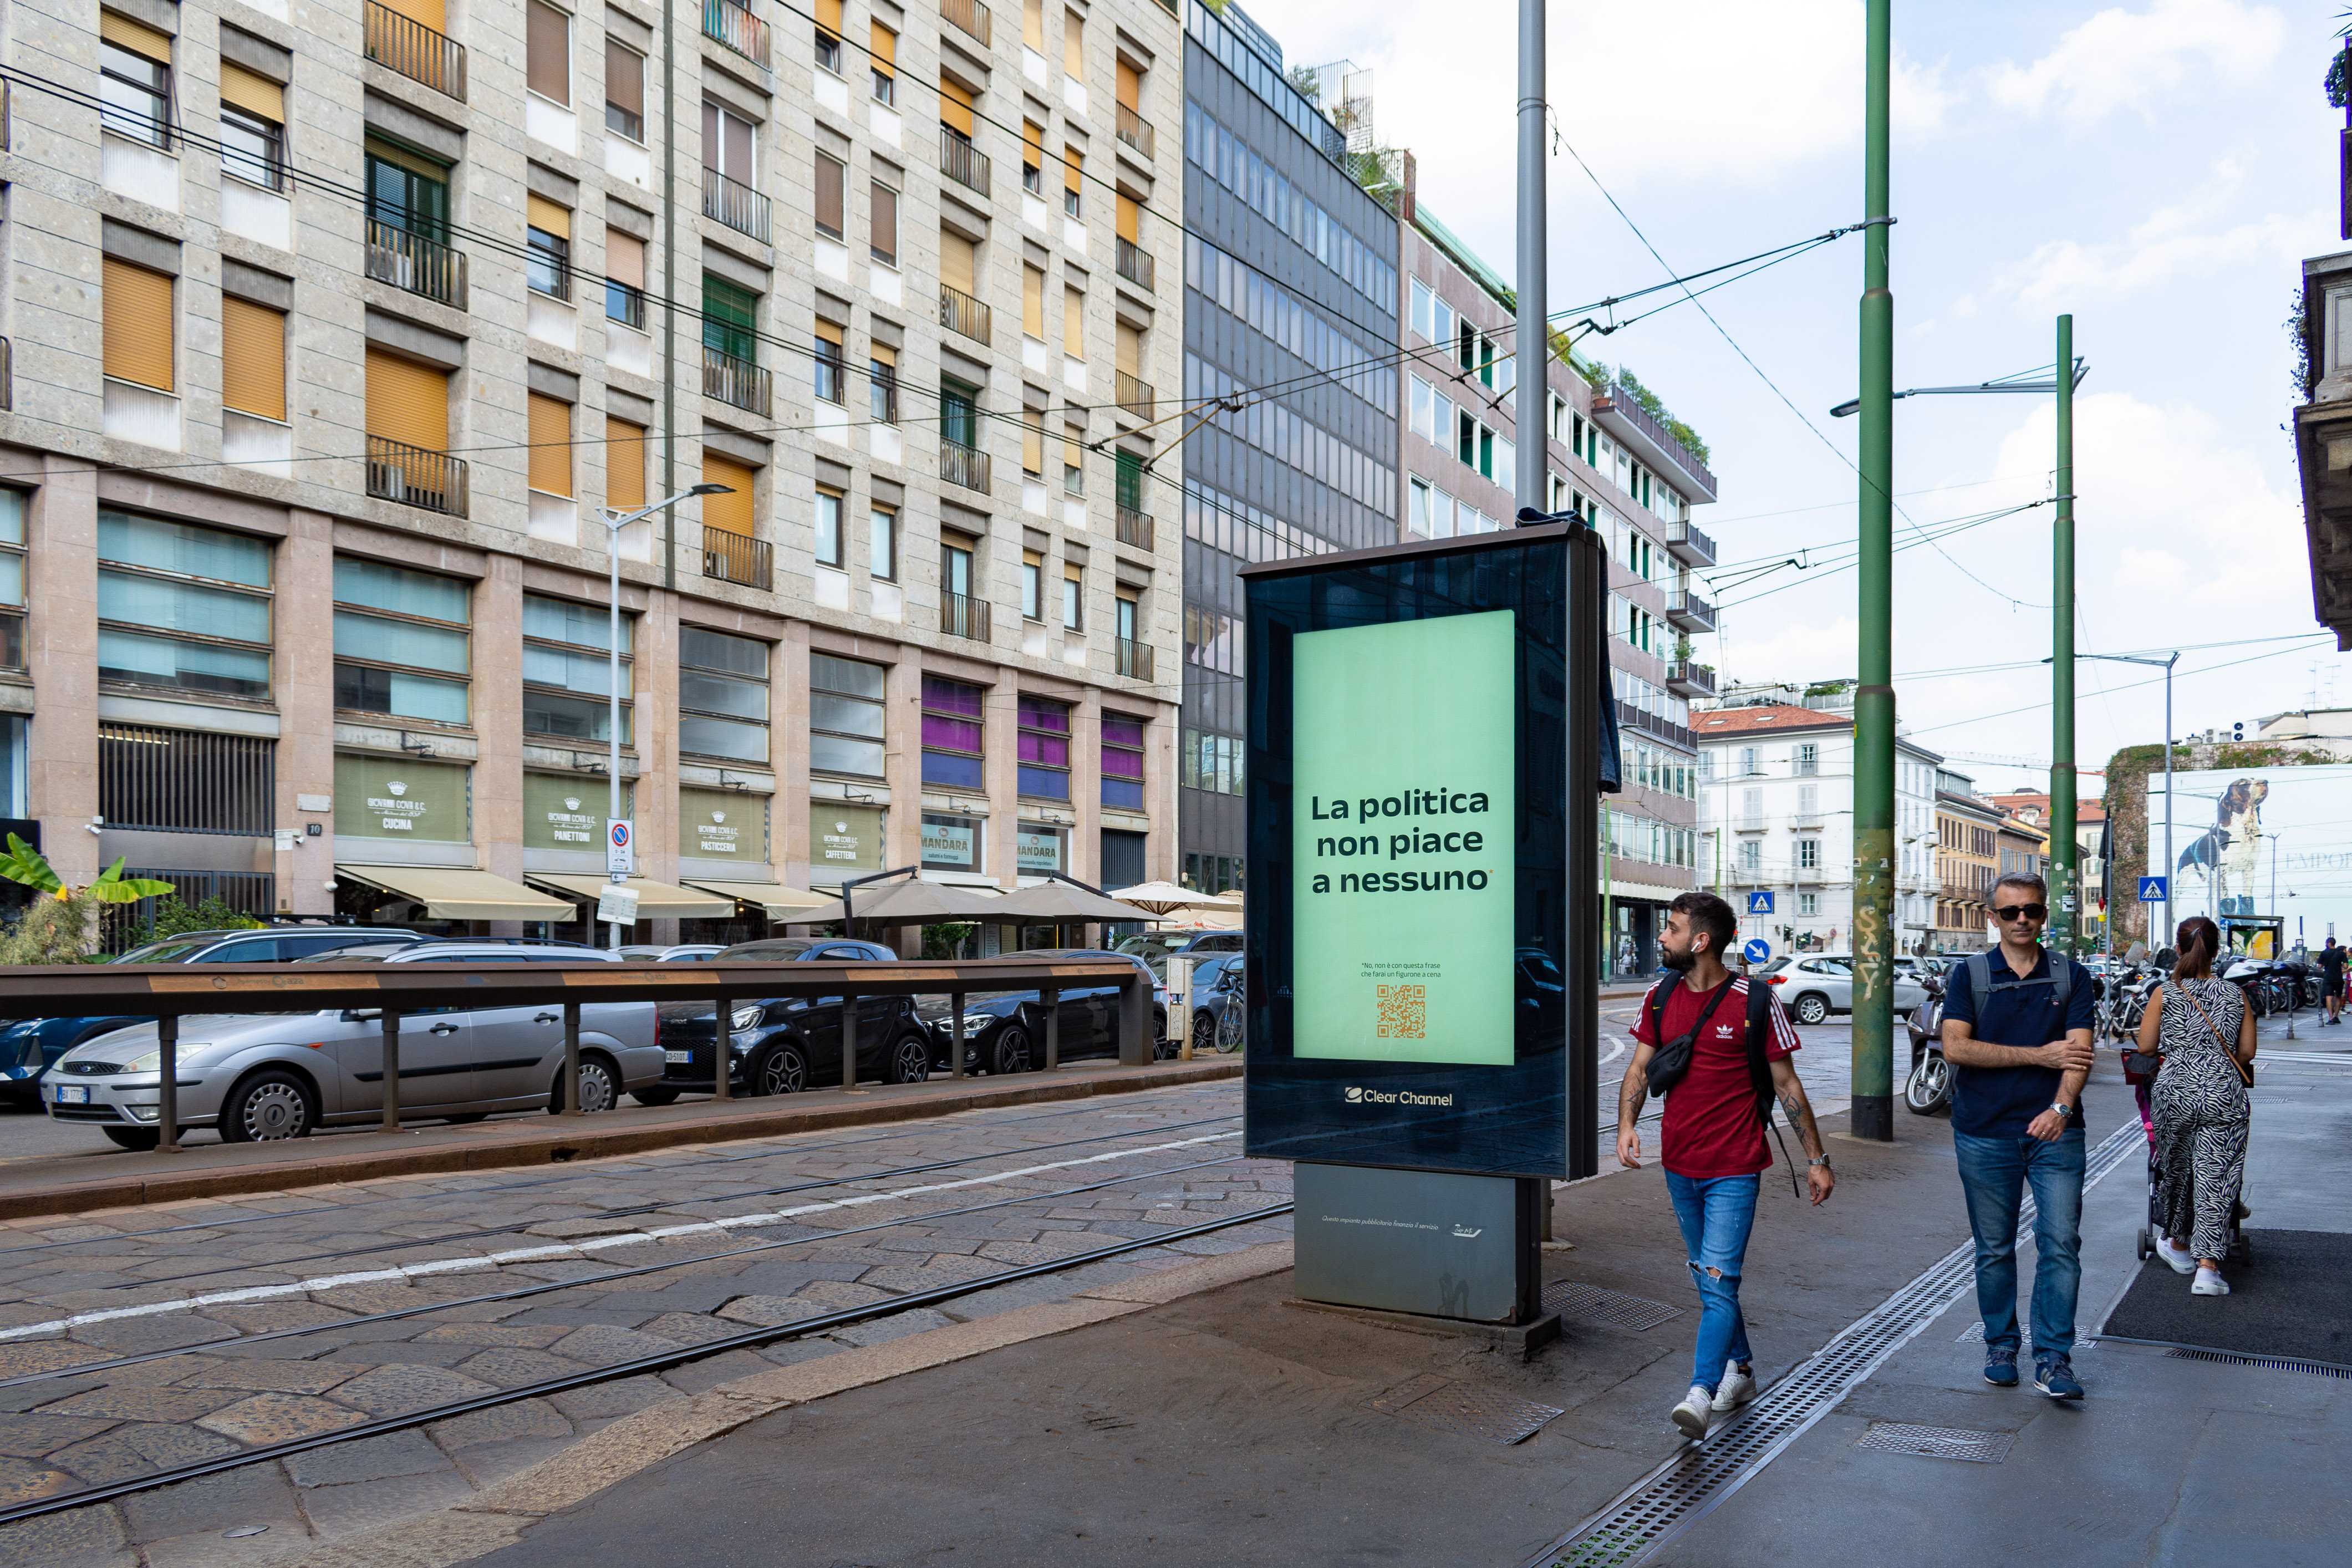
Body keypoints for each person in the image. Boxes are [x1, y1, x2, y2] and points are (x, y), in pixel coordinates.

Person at [1618, 890, 1835, 1441]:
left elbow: (1786, 1084)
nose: (1662, 936)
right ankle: (1740, 1368)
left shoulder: (1756, 1001)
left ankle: (1700, 1390)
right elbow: (1641, 1069)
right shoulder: (1660, 995)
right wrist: (1626, 1126)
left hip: (1736, 1166)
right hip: (1679, 1162)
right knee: (1707, 1276)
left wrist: (1817, 1158)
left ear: (1701, 940)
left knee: (1717, 1278)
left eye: (1670, 928)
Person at [1940, 872, 2097, 1402]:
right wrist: (2039, 1055)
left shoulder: (2071, 976)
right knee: (1993, 1249)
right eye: (2011, 913)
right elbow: (1956, 1049)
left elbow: (2078, 1052)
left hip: (2057, 1132)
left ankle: (2053, 1358)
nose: (2023, 920)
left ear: (2044, 914)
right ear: (1993, 918)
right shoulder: (1970, 975)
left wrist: (2060, 1106)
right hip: (1985, 1131)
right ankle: (2001, 1346)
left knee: (2061, 1245)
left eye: (2031, 910)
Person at [2134, 916, 2256, 1295]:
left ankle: (2179, 1244)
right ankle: (2208, 1270)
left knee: (2178, 1171)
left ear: (2179, 946)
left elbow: (2146, 1048)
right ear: (2217, 949)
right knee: (2216, 1178)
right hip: (2223, 1093)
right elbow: (2248, 1052)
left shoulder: (2164, 993)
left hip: (2177, 1094)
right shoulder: (2235, 994)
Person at [2320, 936, 2346, 1027]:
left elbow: (2320, 966)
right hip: (2339, 978)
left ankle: (2330, 1018)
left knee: (2329, 998)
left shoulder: (2324, 953)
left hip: (2328, 978)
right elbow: (2346, 966)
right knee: (2338, 997)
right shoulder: (2341, 954)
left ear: (2329, 943)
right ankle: (2336, 1016)